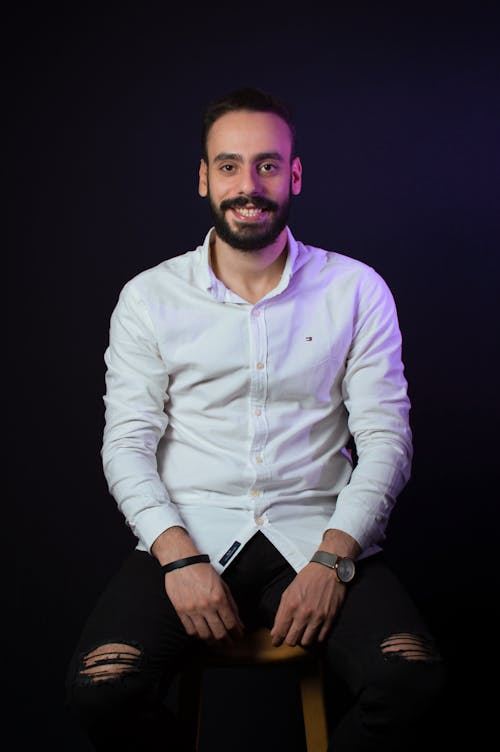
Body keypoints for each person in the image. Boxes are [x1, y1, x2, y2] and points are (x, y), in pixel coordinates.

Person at [66, 86, 445, 751]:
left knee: (411, 682)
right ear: (205, 177)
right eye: (231, 166)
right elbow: (127, 444)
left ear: (295, 174)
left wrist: (334, 559)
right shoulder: (150, 298)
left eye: (268, 165)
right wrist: (177, 557)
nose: (250, 184)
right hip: (190, 535)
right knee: (104, 690)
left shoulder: (356, 290)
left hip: (318, 534)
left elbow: (387, 438)